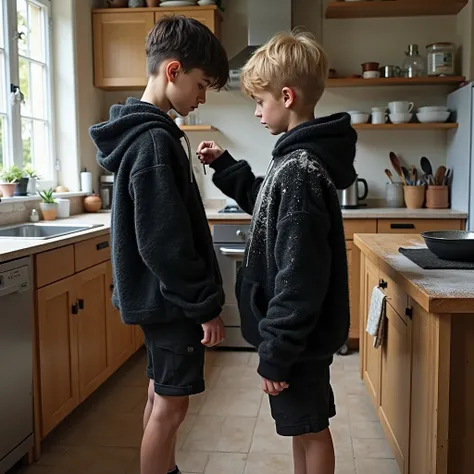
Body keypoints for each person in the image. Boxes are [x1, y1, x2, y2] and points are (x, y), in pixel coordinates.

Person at [197, 31, 357, 474]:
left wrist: (278, 349)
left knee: (310, 429)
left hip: (297, 342)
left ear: (286, 96)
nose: (256, 111)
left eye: (259, 101)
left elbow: (299, 275)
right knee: (300, 428)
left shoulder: (300, 170)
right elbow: (264, 201)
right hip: (298, 339)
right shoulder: (293, 162)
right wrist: (226, 166)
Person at [89, 16, 229, 474]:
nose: (202, 97)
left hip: (157, 300)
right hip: (169, 303)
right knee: (172, 409)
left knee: (158, 396)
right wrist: (203, 304)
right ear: (173, 71)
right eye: (202, 84)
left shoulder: (147, 133)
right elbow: (163, 243)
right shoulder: (153, 141)